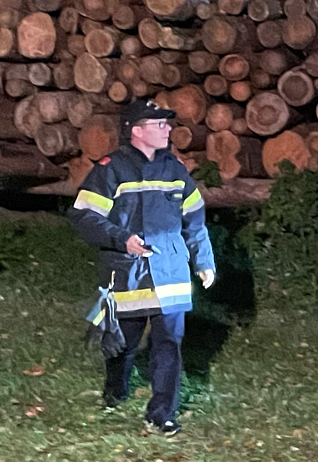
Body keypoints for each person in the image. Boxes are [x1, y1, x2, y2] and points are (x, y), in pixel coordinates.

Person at [68, 97, 216, 435]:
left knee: (168, 345)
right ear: (136, 131)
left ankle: (162, 414)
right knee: (124, 343)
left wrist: (204, 260)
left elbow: (194, 220)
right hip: (128, 273)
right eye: (159, 124)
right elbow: (83, 216)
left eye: (167, 123)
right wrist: (122, 239)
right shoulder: (110, 170)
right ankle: (115, 390)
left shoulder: (175, 169)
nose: (168, 129)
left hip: (170, 272)